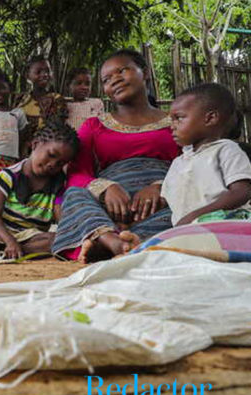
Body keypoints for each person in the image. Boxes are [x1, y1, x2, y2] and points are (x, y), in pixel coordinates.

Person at [52, 49, 180, 263]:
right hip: (110, 208)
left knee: (188, 208)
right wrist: (106, 189)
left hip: (163, 202)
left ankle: (119, 241)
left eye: (122, 70)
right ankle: (113, 240)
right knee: (74, 194)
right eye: (107, 79)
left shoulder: (177, 123)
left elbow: (192, 164)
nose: (115, 80)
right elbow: (78, 173)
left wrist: (161, 187)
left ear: (145, 73)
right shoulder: (94, 125)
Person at [0, 120, 78, 261]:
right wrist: (10, 241)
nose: (53, 164)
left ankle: (0, 253)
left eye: (61, 163)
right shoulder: (9, 175)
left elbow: (61, 218)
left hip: (28, 236)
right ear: (35, 145)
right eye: (51, 155)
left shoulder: (58, 183)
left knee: (57, 241)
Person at [162, 83, 251, 225]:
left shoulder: (226, 150)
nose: (172, 126)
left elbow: (242, 192)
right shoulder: (179, 162)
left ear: (210, 118)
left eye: (179, 118)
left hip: (228, 226)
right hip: (189, 233)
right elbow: (170, 201)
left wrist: (195, 216)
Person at [16, 56, 68, 159]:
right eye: (39, 72)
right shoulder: (21, 100)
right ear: (28, 75)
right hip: (20, 152)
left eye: (47, 71)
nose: (44, 75)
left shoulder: (56, 99)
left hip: (46, 152)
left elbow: (56, 128)